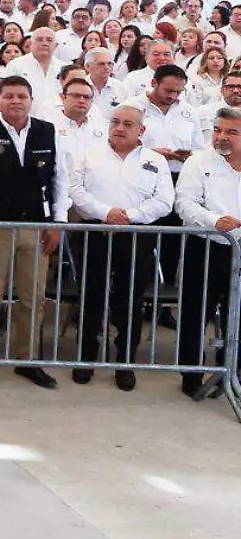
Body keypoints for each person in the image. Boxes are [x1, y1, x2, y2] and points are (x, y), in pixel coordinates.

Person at [0, 74, 68, 389]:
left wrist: (58, 223)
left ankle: (28, 361)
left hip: (36, 227)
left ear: (30, 100)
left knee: (34, 297)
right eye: (9, 96)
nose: (15, 101)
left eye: (21, 96)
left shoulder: (49, 132)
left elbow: (60, 180)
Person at [67, 103, 173, 391]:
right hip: (96, 233)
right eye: (116, 121)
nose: (120, 128)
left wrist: (130, 217)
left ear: (142, 130)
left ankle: (125, 362)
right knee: (91, 297)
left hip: (135, 236)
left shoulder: (155, 161)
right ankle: (85, 357)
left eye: (128, 123)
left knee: (130, 300)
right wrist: (105, 213)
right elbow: (75, 190)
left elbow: (164, 200)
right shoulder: (90, 155)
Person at [175, 105, 241, 398]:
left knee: (237, 316)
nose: (221, 137)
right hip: (207, 247)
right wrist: (215, 221)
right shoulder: (198, 162)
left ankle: (232, 373)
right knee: (195, 312)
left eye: (231, 132)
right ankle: (191, 375)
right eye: (217, 130)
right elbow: (185, 204)